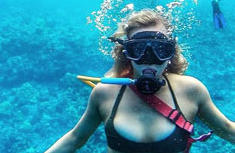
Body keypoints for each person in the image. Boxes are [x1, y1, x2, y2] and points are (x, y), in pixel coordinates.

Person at [44, 9, 235, 153]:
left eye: (160, 49)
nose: (149, 58)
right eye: (139, 49)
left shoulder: (191, 90)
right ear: (127, 53)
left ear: (171, 52)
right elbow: (76, 137)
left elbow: (227, 130)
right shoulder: (104, 93)